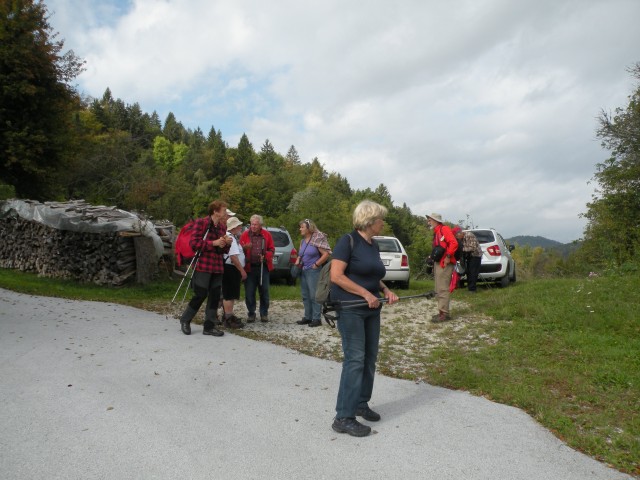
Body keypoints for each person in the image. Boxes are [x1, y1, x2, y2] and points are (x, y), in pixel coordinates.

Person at [330, 200, 399, 437]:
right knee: (355, 360)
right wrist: (365, 293)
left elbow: (372, 274)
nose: (383, 222)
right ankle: (343, 417)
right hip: (351, 308)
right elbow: (336, 276)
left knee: (369, 359)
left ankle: (361, 403)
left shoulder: (373, 245)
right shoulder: (347, 241)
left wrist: (385, 290)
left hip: (372, 309)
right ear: (370, 221)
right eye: (381, 218)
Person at [179, 200, 232, 337]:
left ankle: (209, 326)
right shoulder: (201, 223)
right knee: (200, 294)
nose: (226, 213)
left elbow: (223, 251)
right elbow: (194, 243)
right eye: (224, 210)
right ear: (215, 211)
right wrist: (213, 243)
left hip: (217, 266)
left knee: (214, 296)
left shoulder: (222, 227)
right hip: (203, 265)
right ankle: (185, 319)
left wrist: (226, 244)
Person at [294, 219, 332, 327]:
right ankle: (307, 317)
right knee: (305, 295)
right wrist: (297, 260)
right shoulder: (302, 242)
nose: (300, 229)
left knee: (314, 295)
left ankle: (316, 319)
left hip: (313, 271)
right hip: (304, 270)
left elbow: (326, 254)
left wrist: (316, 264)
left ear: (309, 228)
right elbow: (301, 254)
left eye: (302, 227)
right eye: (300, 227)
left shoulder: (316, 240)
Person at [239, 215, 275, 323]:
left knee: (264, 291)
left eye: (256, 224)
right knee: (249, 292)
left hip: (263, 267)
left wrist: (266, 256)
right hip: (249, 268)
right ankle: (251, 313)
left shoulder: (266, 235)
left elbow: (272, 249)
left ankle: (264, 313)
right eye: (252, 224)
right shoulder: (245, 234)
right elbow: (239, 250)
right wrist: (245, 248)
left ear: (260, 225)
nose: (253, 226)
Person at [426, 213, 458, 322]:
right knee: (438, 288)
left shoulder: (444, 229)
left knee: (442, 288)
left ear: (436, 221)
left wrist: (448, 256)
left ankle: (444, 314)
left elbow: (453, 243)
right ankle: (441, 312)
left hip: (445, 263)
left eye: (430, 220)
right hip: (440, 262)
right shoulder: (437, 232)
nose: (428, 222)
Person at [221, 216, 246, 329]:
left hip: (230, 268)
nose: (240, 227)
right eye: (238, 225)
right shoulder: (231, 238)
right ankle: (228, 318)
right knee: (229, 295)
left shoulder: (230, 237)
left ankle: (227, 316)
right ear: (234, 227)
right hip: (231, 268)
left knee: (229, 294)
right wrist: (242, 270)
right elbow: (234, 257)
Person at [453, 226, 482, 293]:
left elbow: (473, 248)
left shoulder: (469, 235)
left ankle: (472, 289)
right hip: (469, 256)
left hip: (475, 256)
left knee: (473, 272)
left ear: (460, 233)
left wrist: (462, 249)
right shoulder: (462, 238)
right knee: (468, 272)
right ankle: (470, 288)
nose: (457, 238)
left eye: (456, 236)